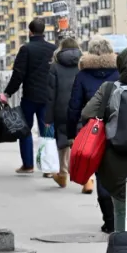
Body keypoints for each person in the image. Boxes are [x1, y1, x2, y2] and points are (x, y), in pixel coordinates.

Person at [80, 46, 127, 231]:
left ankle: (121, 250)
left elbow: (87, 113)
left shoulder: (109, 88)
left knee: (119, 206)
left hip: (113, 158)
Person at [67, 35, 119, 232]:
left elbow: (74, 107)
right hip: (117, 129)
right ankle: (120, 216)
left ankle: (109, 221)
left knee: (100, 174)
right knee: (117, 171)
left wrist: (72, 134)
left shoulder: (82, 75)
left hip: (93, 133)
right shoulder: (119, 72)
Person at [0, 18, 56, 174]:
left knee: (25, 129)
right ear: (43, 31)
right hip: (48, 97)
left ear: (30, 32)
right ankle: (49, 167)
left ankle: (28, 165)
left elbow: (18, 75)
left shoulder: (26, 49)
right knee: (47, 132)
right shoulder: (53, 49)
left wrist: (7, 93)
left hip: (30, 97)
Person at [45, 37, 82, 188]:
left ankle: (63, 174)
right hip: (79, 108)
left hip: (61, 109)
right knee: (80, 143)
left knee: (63, 142)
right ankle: (87, 179)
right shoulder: (83, 64)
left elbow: (50, 95)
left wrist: (48, 117)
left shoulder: (55, 67)